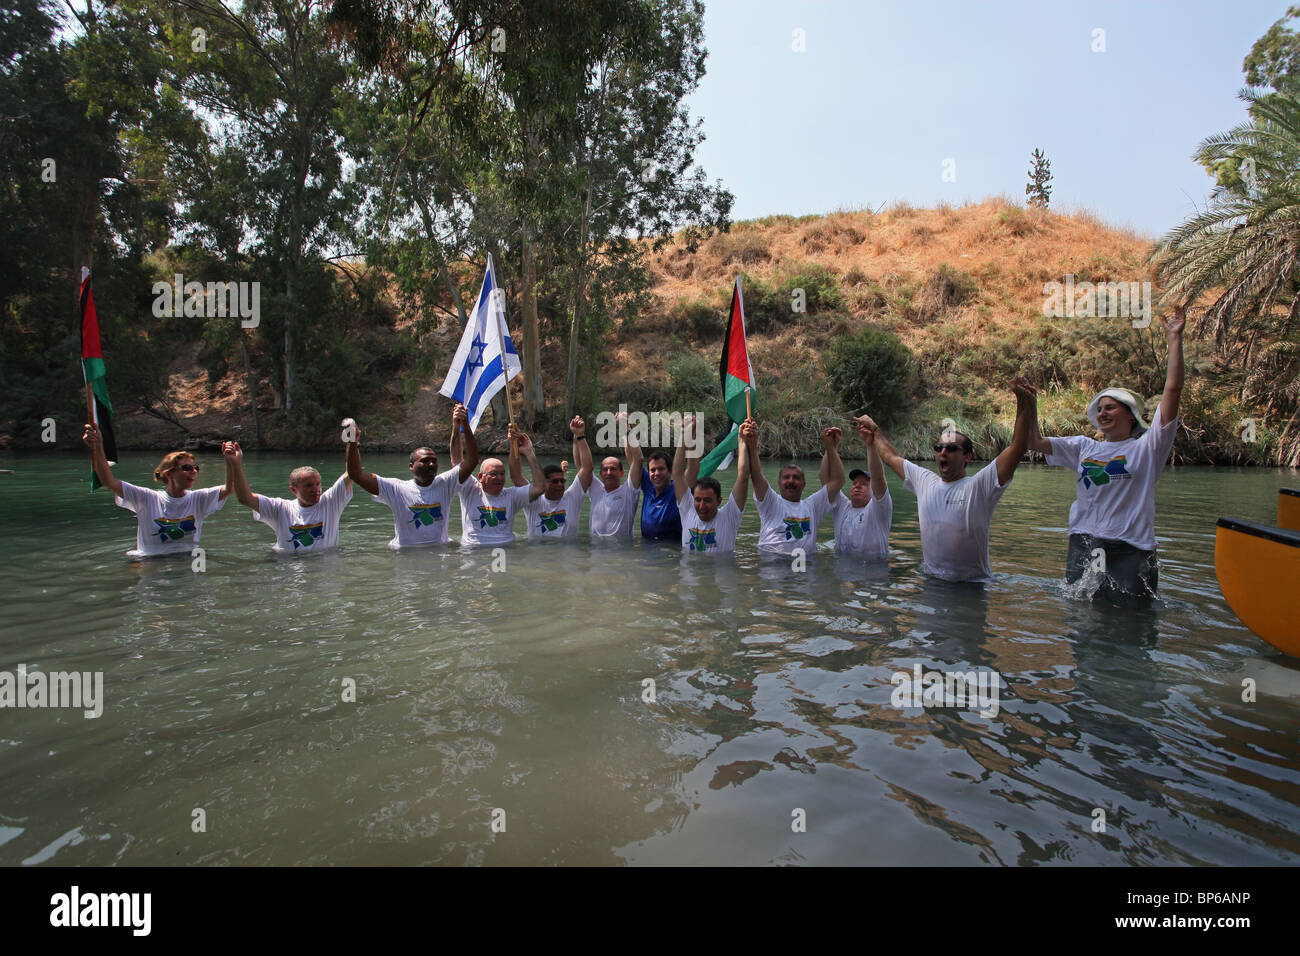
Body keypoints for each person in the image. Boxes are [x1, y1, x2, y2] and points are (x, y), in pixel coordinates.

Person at [1028, 306, 1185, 604]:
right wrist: (1028, 403)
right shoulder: (1084, 447)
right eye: (1099, 409)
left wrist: (1174, 338)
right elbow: (1033, 441)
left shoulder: (1148, 447)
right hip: (1086, 541)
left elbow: (1173, 390)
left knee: (1131, 617)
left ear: (1131, 415)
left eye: (1110, 407)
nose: (1103, 413)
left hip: (1130, 547)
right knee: (1081, 613)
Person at [862, 376, 1037, 584]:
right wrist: (874, 430)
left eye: (952, 449)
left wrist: (1023, 403)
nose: (943, 452)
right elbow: (891, 457)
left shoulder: (978, 487)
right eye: (939, 448)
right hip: (931, 583)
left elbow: (1017, 448)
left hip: (971, 588)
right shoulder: (925, 481)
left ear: (967, 457)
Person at [82, 423, 230, 559]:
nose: (193, 471)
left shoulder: (199, 499)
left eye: (195, 468)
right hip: (149, 560)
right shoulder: (146, 498)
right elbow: (108, 481)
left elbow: (231, 488)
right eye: (187, 468)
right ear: (168, 474)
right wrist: (97, 447)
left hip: (187, 559)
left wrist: (232, 462)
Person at [345, 403, 478, 549]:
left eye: (434, 461)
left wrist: (465, 425)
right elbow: (356, 475)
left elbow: (472, 461)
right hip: (405, 556)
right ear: (411, 466)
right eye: (425, 461)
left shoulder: (445, 483)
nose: (432, 465)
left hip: (438, 554)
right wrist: (352, 441)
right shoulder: (396, 488)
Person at [222, 441, 353, 553]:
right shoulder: (280, 508)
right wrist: (236, 465)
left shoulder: (330, 502)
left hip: (324, 572)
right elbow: (245, 498)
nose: (316, 489)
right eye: (308, 486)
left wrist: (352, 443)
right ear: (293, 490)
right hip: (290, 571)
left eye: (318, 484)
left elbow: (351, 473)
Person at [749, 424, 846, 555]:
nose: (790, 481)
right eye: (786, 477)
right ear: (779, 483)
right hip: (773, 565)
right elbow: (756, 473)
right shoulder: (770, 502)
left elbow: (838, 480)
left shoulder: (812, 506)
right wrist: (752, 444)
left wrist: (831, 447)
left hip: (804, 566)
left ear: (804, 484)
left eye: (796, 478)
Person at [671, 415, 753, 553]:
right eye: (698, 500)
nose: (701, 506)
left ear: (719, 501)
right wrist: (685, 436)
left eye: (707, 500)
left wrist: (743, 440)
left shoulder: (729, 517)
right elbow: (677, 473)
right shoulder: (688, 511)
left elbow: (743, 477)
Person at [457, 424, 542, 546]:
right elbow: (457, 462)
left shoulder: (512, 496)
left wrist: (528, 452)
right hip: (473, 552)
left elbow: (540, 487)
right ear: (481, 477)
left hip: (505, 551)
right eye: (494, 474)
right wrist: (457, 427)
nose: (500, 478)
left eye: (502, 474)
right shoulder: (470, 490)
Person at [510, 417, 591, 540]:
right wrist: (515, 445)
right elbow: (516, 476)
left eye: (562, 481)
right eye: (555, 481)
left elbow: (587, 469)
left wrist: (579, 435)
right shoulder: (533, 500)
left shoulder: (572, 498)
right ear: (544, 483)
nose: (560, 484)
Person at [827, 418, 893, 560]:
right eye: (855, 483)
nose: (857, 485)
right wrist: (831, 448)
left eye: (864, 484)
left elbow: (878, 478)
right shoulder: (841, 507)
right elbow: (828, 480)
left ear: (872, 490)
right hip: (843, 576)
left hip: (873, 575)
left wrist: (870, 445)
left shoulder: (879, 508)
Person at [587, 410, 643, 540]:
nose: (609, 473)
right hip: (596, 555)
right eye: (605, 470)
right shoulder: (596, 490)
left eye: (613, 469)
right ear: (600, 474)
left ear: (622, 473)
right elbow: (582, 466)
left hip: (621, 556)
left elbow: (637, 459)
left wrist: (627, 428)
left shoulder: (629, 491)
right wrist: (577, 436)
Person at [639, 450, 682, 542]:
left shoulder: (679, 489)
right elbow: (635, 458)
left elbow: (691, 471)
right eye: (653, 470)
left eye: (661, 469)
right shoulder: (648, 486)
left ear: (670, 471)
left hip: (672, 550)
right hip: (646, 550)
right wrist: (627, 436)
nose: (657, 473)